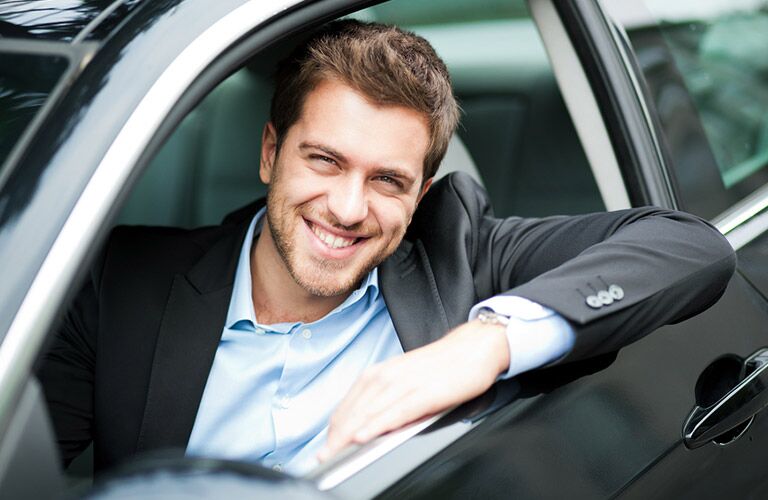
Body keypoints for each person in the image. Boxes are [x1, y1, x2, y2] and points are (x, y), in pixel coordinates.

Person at [39, 20, 735, 476]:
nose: (348, 209)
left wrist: (483, 344)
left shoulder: (464, 259)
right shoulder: (120, 284)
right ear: (271, 153)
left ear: (421, 191)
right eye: (325, 161)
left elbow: (689, 246)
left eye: (387, 180)